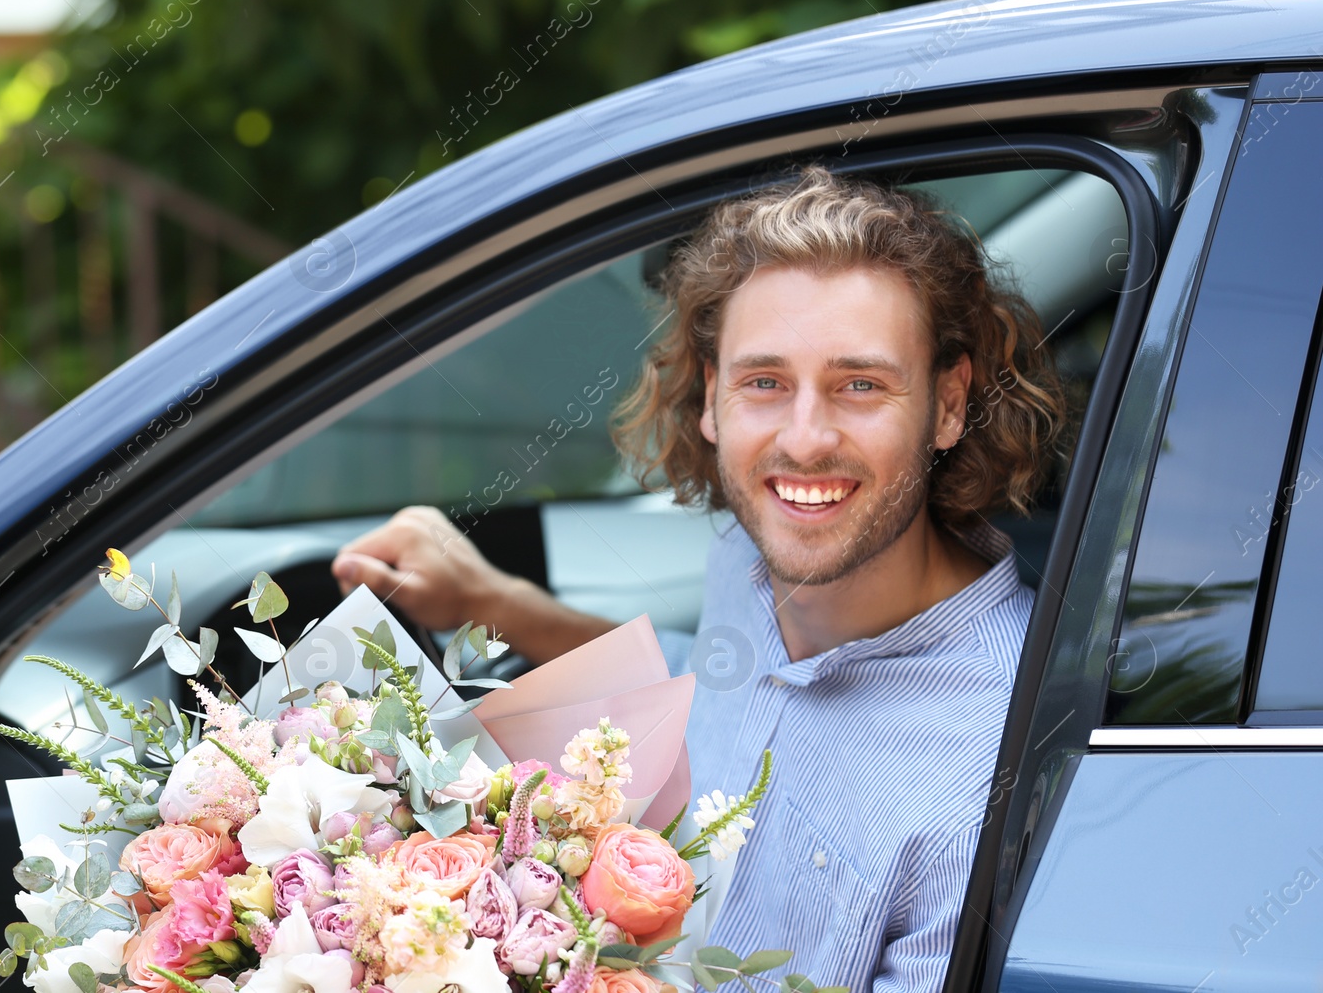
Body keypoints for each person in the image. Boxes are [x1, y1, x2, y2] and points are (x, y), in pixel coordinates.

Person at [330, 164, 1067, 992]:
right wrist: (492, 602)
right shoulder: (750, 556)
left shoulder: (998, 765)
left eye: (860, 384)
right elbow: (703, 675)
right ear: (713, 397)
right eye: (765, 382)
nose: (805, 439)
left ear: (948, 402)